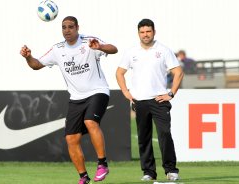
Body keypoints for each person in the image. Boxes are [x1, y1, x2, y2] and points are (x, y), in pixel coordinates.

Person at [20, 16, 118, 184]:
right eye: (64, 27)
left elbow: (114, 49)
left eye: (70, 27)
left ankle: (102, 164)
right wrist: (28, 57)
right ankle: (83, 177)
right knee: (71, 139)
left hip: (97, 91)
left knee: (90, 122)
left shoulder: (89, 42)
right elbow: (36, 65)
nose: (67, 30)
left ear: (77, 27)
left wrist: (100, 46)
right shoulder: (57, 49)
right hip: (76, 98)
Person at [116, 18, 184, 181]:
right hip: (140, 101)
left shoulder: (163, 50)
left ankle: (171, 170)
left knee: (164, 134)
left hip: (159, 100)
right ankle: (148, 172)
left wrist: (171, 93)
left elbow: (178, 72)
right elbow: (119, 73)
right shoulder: (131, 52)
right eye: (142, 32)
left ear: (154, 32)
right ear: (138, 33)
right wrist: (126, 92)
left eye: (148, 31)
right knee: (144, 137)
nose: (145, 35)